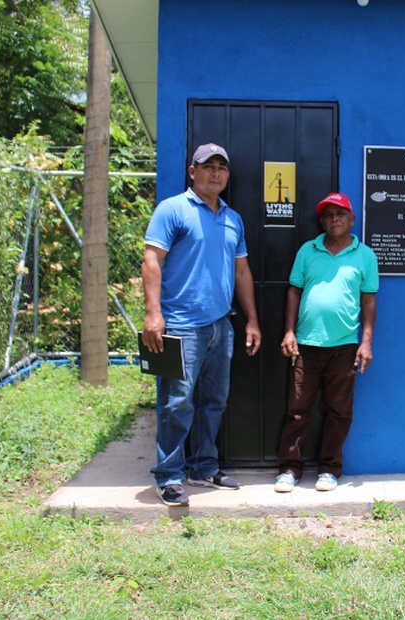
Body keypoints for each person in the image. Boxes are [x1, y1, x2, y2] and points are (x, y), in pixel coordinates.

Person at [141, 143, 262, 507]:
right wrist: (153, 314)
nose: (215, 173)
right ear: (192, 172)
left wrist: (252, 319)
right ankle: (169, 475)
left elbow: (241, 270)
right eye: (207, 166)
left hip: (220, 326)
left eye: (221, 167)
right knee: (176, 402)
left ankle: (203, 467)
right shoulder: (172, 209)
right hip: (179, 325)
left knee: (214, 401)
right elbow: (151, 260)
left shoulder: (232, 218)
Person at [274, 192, 379, 493]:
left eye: (341, 213)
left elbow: (368, 301)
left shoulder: (365, 255)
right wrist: (289, 331)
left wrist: (366, 342)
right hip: (305, 345)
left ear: (351, 219)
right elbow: (294, 291)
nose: (335, 219)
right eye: (329, 214)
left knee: (339, 411)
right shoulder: (308, 250)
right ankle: (289, 469)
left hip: (345, 347)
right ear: (322, 221)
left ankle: (329, 469)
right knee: (297, 410)